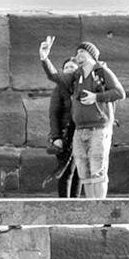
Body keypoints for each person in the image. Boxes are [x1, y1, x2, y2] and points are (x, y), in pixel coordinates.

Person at [38, 36, 126, 199]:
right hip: (79, 129)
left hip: (99, 127)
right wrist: (44, 58)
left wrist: (96, 97)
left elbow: (120, 93)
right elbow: (55, 76)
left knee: (97, 169)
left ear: (92, 55)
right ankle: (90, 207)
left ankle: (99, 207)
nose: (78, 55)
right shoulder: (75, 76)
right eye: (77, 52)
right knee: (84, 172)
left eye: (82, 52)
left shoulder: (102, 72)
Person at [45, 54, 81, 197]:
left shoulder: (83, 86)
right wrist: (56, 137)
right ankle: (64, 205)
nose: (69, 69)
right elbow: (54, 114)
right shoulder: (59, 88)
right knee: (66, 172)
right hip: (66, 136)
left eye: (72, 67)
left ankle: (76, 205)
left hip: (82, 133)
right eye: (66, 67)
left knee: (79, 173)